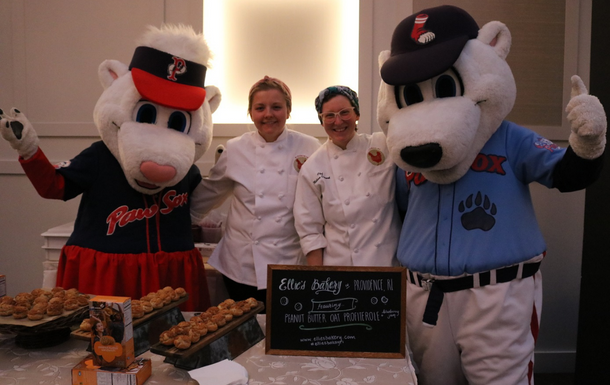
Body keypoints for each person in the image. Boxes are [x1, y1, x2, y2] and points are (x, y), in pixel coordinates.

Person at [191, 76, 320, 303]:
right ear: (250, 113)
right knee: (243, 331)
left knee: (281, 333)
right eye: (260, 108)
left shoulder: (309, 147)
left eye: (276, 107)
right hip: (240, 264)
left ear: (288, 111)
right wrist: (176, 218)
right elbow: (209, 192)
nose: (268, 114)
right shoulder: (235, 148)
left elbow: (322, 200)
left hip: (289, 263)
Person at [294, 86, 401, 266]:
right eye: (329, 115)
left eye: (345, 112)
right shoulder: (312, 167)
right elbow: (310, 231)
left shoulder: (383, 144)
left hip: (387, 264)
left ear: (357, 114)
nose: (338, 121)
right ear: (321, 121)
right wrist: (318, 280)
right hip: (340, 268)